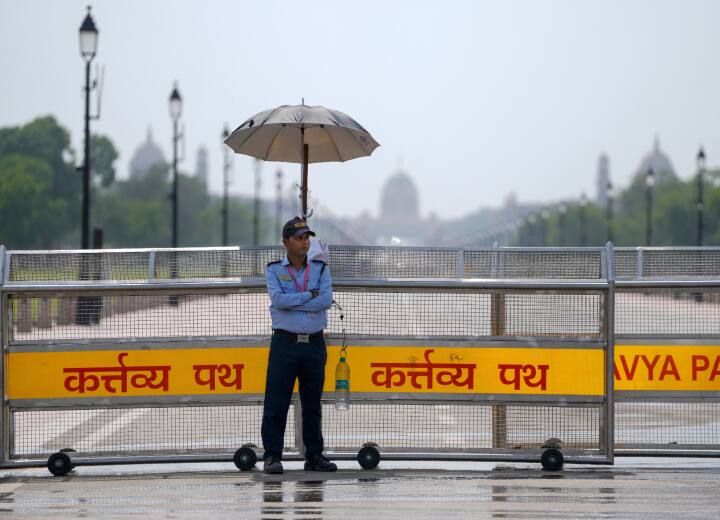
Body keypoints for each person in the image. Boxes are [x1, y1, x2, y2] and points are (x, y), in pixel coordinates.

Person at [261, 216, 337, 474]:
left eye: (307, 237)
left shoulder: (321, 269)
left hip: (314, 344)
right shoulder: (273, 270)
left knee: (312, 403)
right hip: (285, 343)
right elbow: (278, 300)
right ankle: (272, 456)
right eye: (299, 238)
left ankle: (314, 455)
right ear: (285, 242)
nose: (305, 242)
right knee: (276, 402)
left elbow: (325, 300)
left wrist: (297, 300)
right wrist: (307, 295)